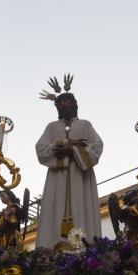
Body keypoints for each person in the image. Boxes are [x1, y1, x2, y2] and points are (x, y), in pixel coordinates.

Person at [35, 75, 103, 249]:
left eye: (68, 103)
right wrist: (63, 147)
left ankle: (84, 249)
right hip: (57, 178)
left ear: (75, 105)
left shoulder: (85, 125)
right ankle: (50, 249)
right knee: (53, 210)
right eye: (62, 104)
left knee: (82, 209)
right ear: (58, 107)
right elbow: (41, 148)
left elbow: (97, 146)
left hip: (81, 176)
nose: (66, 106)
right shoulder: (52, 127)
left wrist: (74, 150)